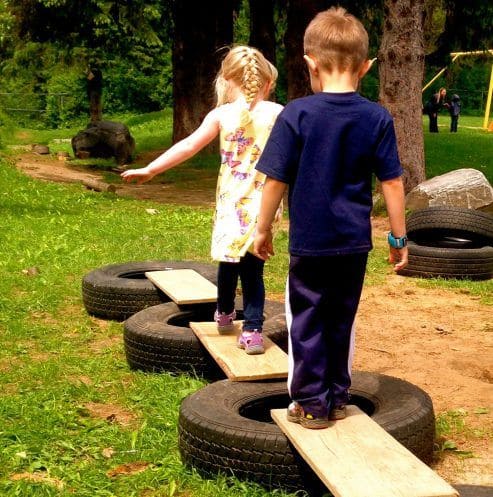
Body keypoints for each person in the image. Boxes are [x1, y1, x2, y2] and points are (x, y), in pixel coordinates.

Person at [253, 7, 408, 429]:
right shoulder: (376, 117)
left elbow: (274, 181)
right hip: (354, 244)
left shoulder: (297, 114)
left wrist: (262, 228)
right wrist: (399, 240)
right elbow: (391, 183)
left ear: (310, 63)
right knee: (341, 319)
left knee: (307, 320)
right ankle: (337, 397)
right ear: (367, 66)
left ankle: (311, 404)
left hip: (311, 244)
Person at [121, 46, 283, 355]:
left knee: (227, 259)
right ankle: (252, 331)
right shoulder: (278, 113)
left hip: (231, 202)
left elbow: (188, 145)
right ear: (266, 82)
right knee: (253, 268)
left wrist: (151, 169)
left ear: (225, 78)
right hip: (264, 204)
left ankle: (224, 313)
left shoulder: (221, 114)